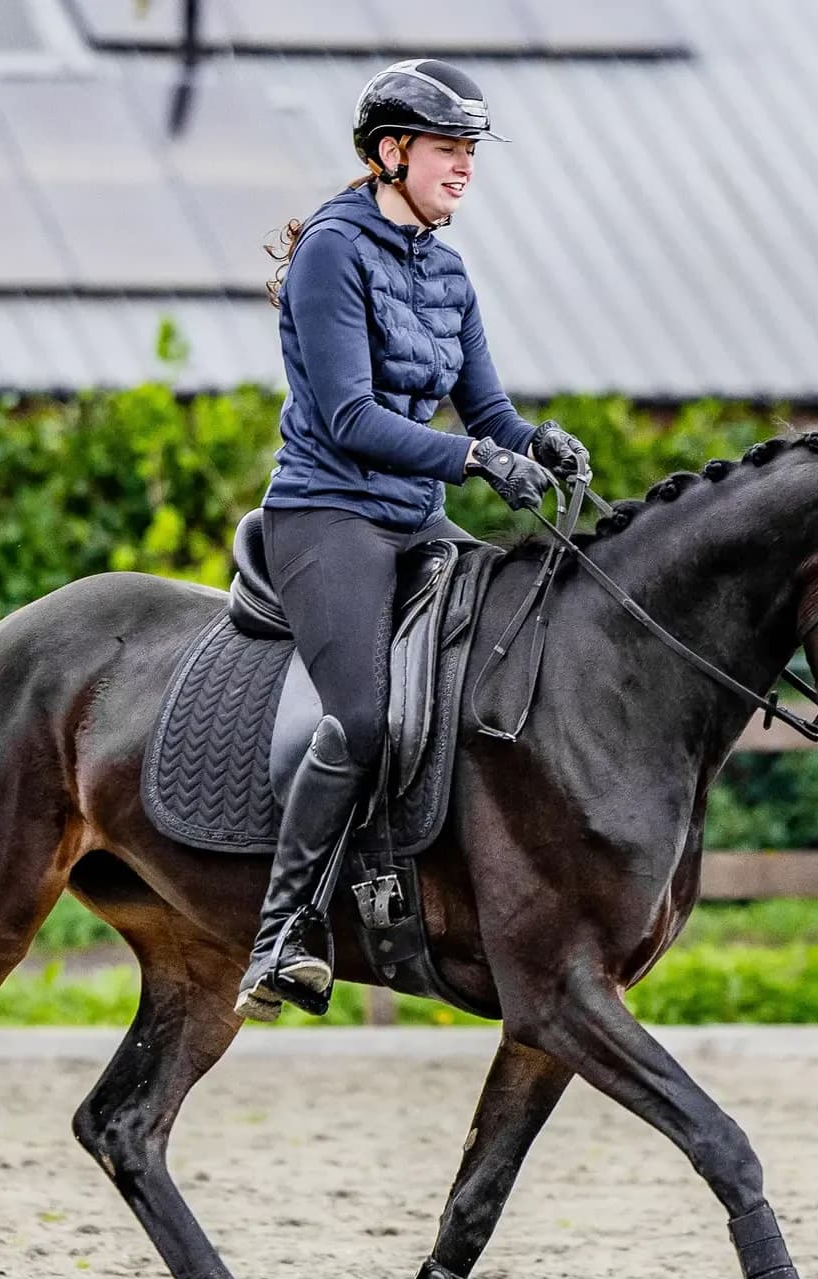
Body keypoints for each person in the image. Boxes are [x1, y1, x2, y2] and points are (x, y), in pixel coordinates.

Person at [234, 58, 591, 1022]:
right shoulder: (331, 253)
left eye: (472, 151)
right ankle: (283, 931)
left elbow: (487, 407)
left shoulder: (447, 267)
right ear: (391, 153)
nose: (465, 166)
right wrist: (476, 460)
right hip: (328, 514)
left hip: (412, 518)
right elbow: (349, 416)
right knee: (366, 718)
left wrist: (534, 443)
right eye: (448, 149)